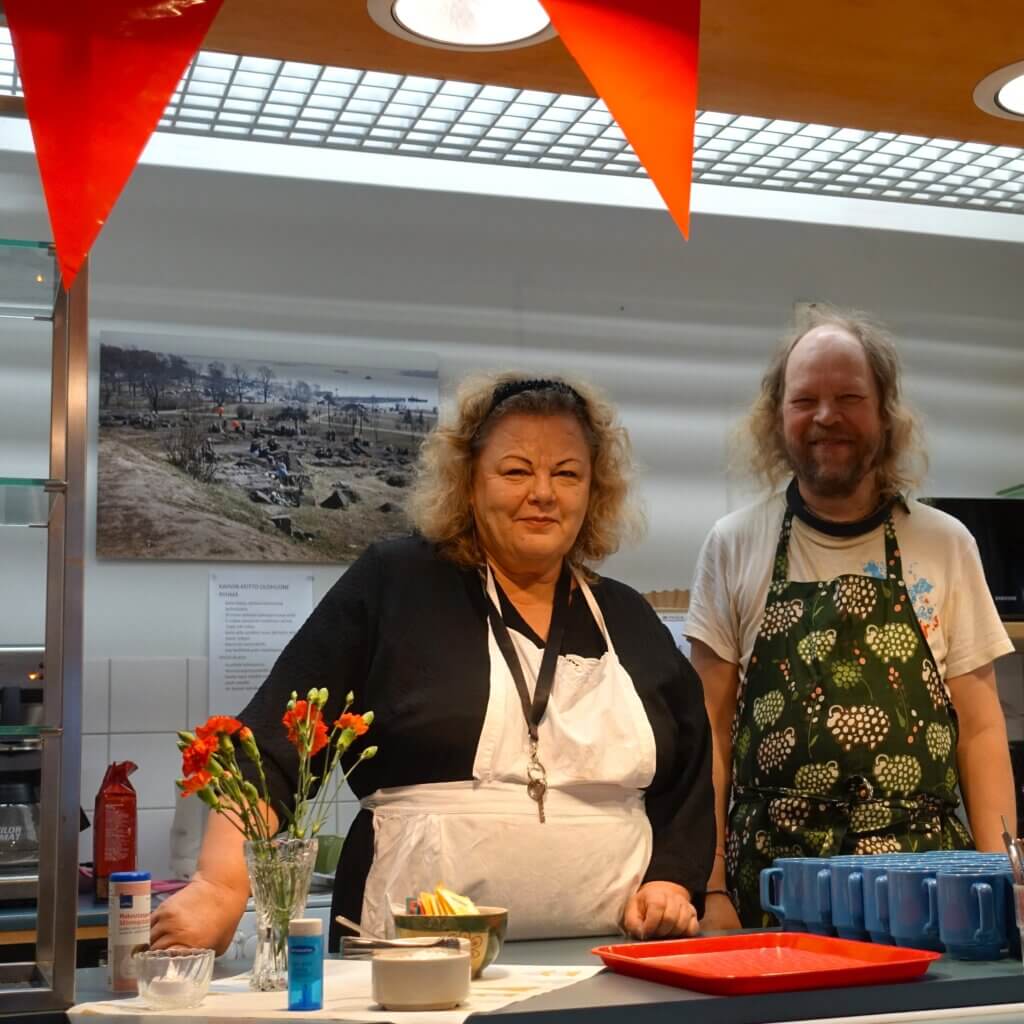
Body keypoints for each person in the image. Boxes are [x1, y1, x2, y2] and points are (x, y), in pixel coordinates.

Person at [151, 373, 714, 953]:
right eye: (516, 470)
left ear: (594, 492)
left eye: (567, 473)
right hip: (413, 964)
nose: (543, 493)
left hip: (607, 958)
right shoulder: (396, 585)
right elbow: (275, 745)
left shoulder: (627, 619)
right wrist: (218, 888)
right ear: (468, 485)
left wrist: (672, 878)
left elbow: (688, 781)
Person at [687, 306, 1017, 929]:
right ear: (776, 416)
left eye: (849, 397)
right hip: (770, 891)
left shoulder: (945, 544)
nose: (826, 416)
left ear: (885, 413)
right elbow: (711, 731)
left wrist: (1001, 883)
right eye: (804, 399)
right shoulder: (733, 544)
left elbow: (980, 729)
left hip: (924, 894)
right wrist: (710, 890)